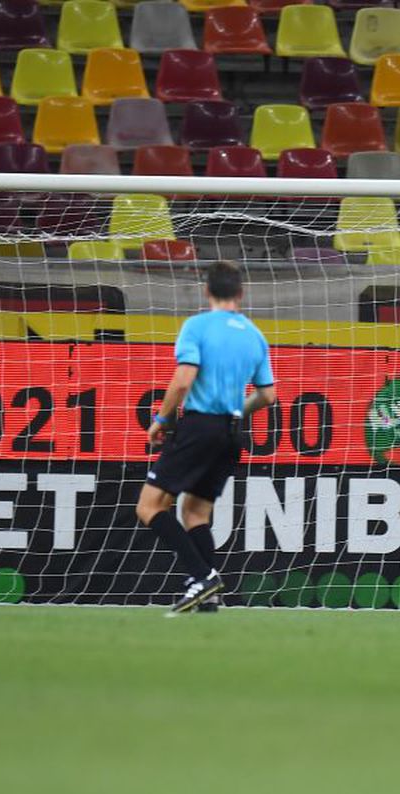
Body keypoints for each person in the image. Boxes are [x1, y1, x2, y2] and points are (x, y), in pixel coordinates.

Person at [135, 261, 277, 615]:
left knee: (149, 506)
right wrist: (235, 413)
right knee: (195, 512)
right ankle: (209, 598)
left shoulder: (197, 326)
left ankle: (203, 577)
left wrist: (162, 419)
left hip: (200, 426)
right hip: (231, 434)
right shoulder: (254, 335)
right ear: (240, 294)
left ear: (207, 291)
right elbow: (268, 396)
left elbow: (183, 380)